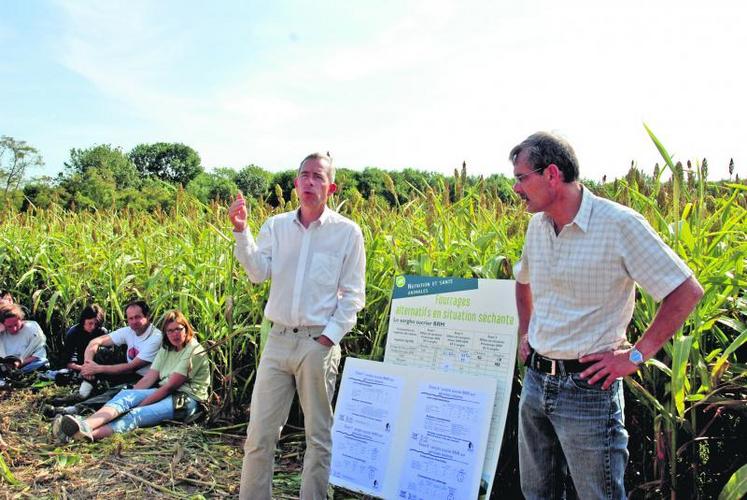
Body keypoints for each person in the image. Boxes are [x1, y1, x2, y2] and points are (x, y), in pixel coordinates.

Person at [510, 132, 704, 499]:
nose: (516, 188)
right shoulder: (537, 225)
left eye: (522, 178)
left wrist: (635, 356)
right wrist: (526, 333)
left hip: (587, 389)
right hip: (536, 382)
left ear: (552, 174)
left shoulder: (618, 224)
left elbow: (685, 291)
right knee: (537, 494)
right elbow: (524, 283)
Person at [229, 152, 366, 500]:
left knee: (318, 438)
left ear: (331, 187)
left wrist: (327, 339)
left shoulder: (347, 233)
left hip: (316, 344)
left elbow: (353, 296)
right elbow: (258, 273)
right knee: (259, 434)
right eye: (304, 175)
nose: (309, 181)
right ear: (295, 183)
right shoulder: (276, 226)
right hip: (277, 341)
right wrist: (242, 231)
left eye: (318, 176)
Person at [54, 309, 211, 442]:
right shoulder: (166, 348)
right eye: (170, 330)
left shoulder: (194, 350)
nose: (175, 334)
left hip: (186, 399)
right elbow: (150, 377)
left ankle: (80, 436)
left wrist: (141, 404)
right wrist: (133, 395)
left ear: (186, 329)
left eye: (179, 329)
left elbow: (170, 387)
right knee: (126, 395)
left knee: (135, 414)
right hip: (164, 391)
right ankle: (86, 424)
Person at [0, 302, 48, 374]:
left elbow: (39, 353)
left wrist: (19, 362)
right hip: (5, 366)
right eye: (9, 326)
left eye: (16, 324)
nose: (14, 329)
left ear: (21, 319)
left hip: (26, 363)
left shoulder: (32, 328)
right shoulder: (2, 332)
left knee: (42, 363)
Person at [62, 304, 109, 374]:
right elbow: (68, 362)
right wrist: (85, 368)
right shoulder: (73, 333)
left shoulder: (101, 331)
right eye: (90, 323)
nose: (93, 327)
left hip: (99, 367)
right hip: (79, 367)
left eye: (95, 324)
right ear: (83, 321)